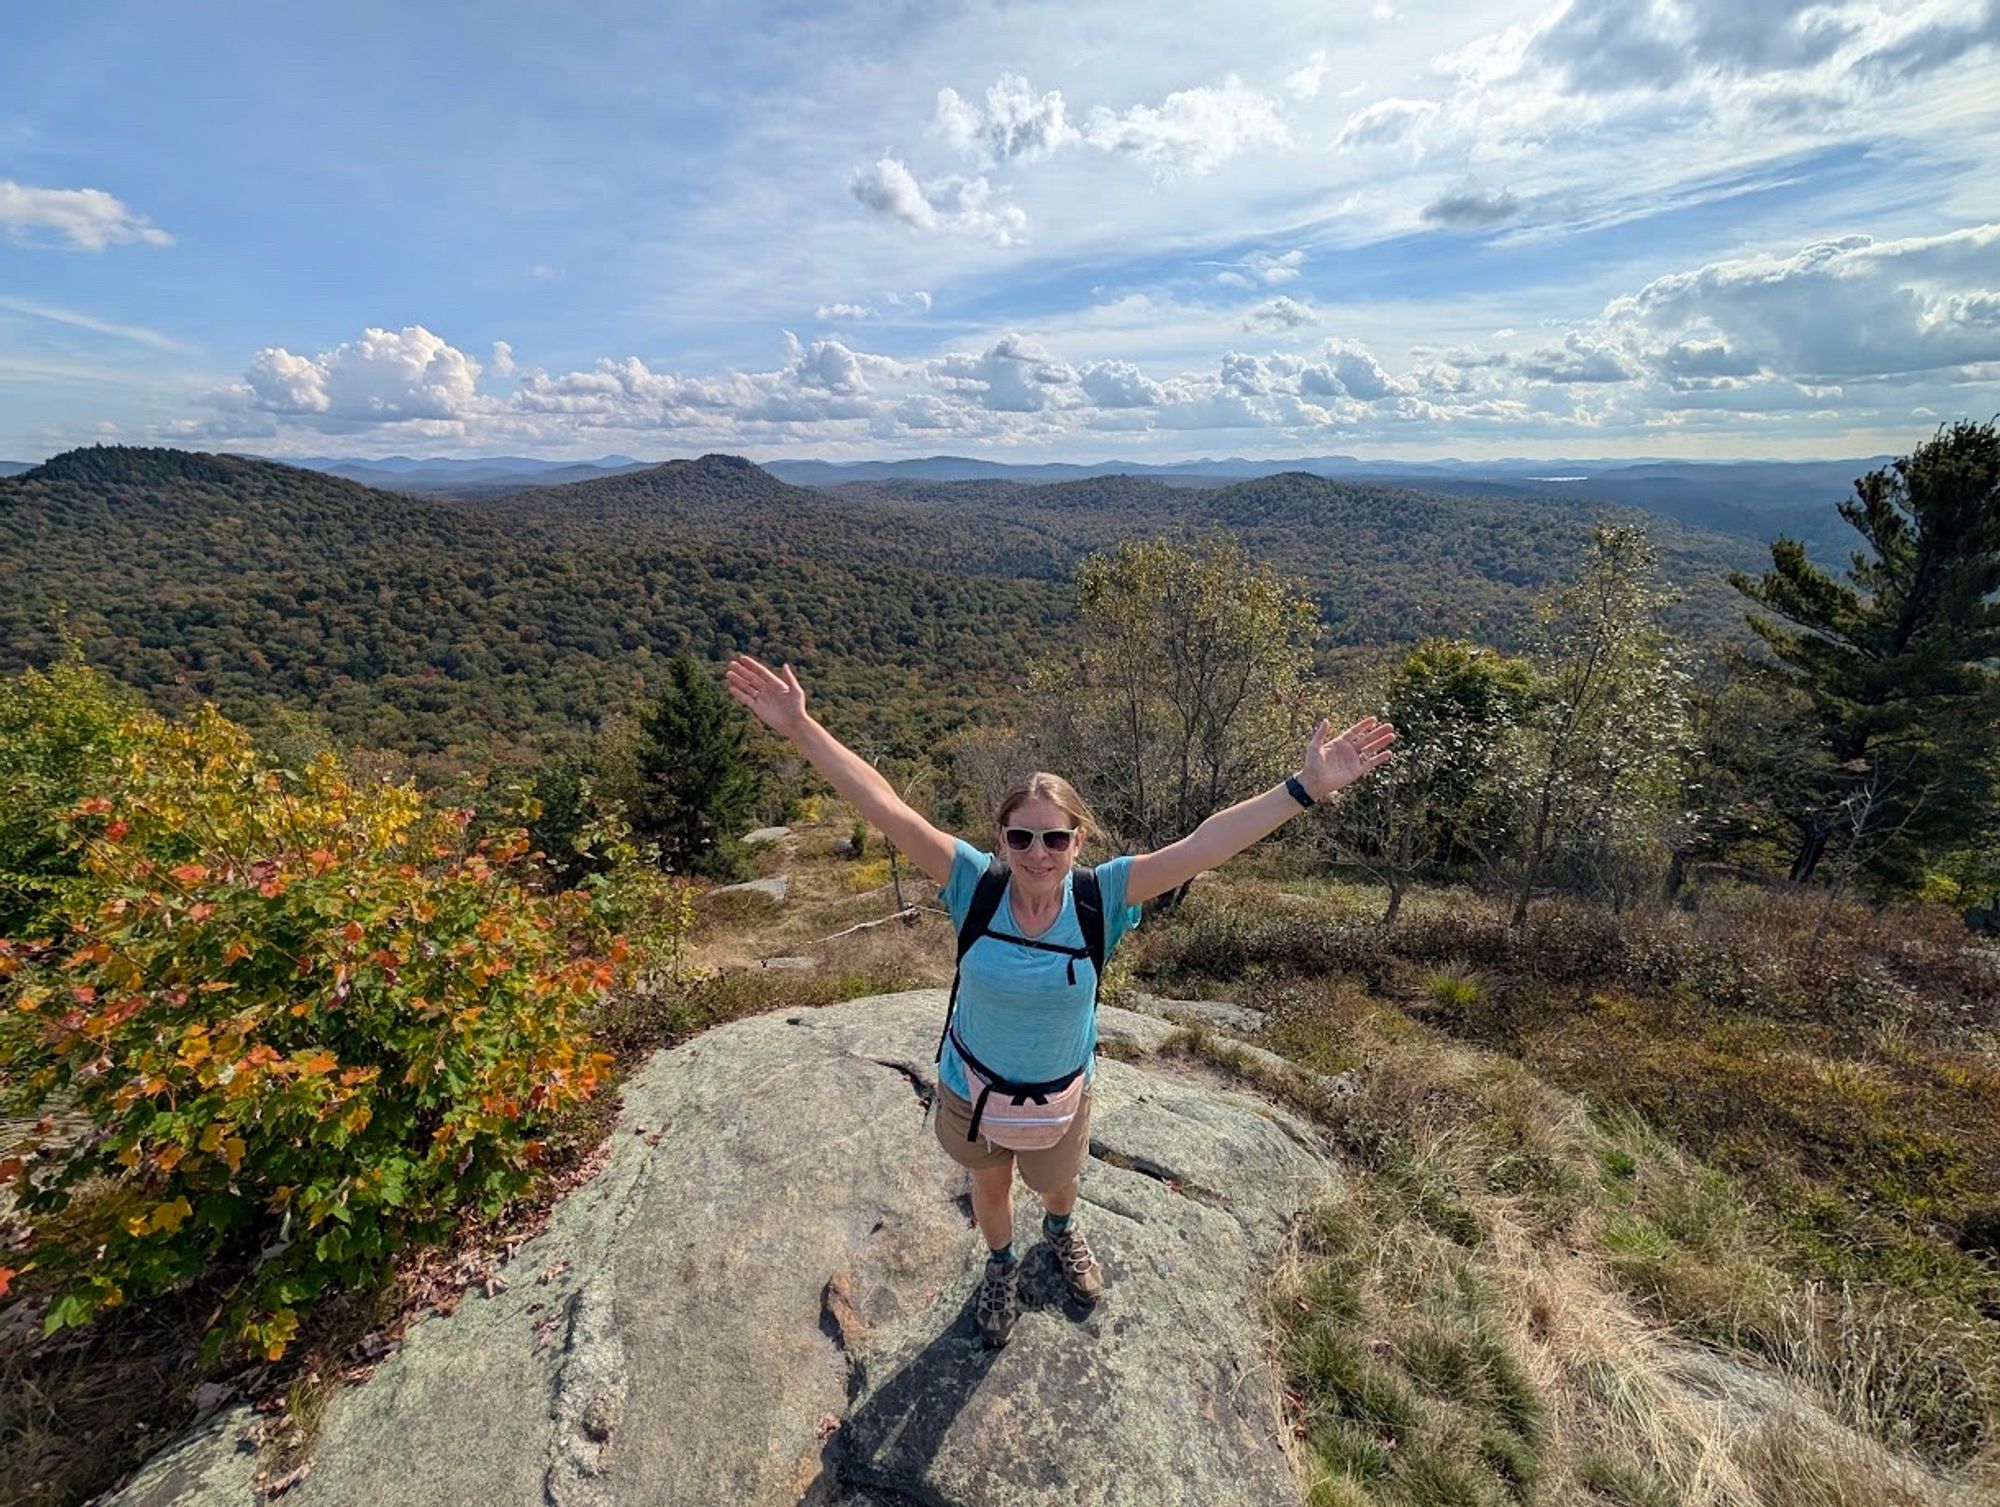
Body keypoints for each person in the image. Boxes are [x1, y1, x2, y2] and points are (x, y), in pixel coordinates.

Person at [724, 653, 1396, 1347]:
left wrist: (1304, 789)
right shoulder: (972, 884)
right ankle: (1001, 1264)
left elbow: (1204, 845)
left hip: (1060, 1091)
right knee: (989, 1188)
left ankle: (1061, 1231)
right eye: (1021, 836)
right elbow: (885, 806)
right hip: (972, 1086)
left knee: (1057, 1182)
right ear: (1002, 840)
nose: (1037, 852)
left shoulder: (1100, 896)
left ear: (1078, 839)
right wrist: (801, 729)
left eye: (1054, 837)